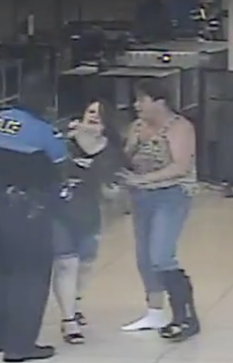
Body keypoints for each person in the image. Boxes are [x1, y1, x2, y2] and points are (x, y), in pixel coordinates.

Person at [0, 74, 68, 363]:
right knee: (31, 276)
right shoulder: (44, 130)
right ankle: (20, 345)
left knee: (0, 273)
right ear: (46, 100)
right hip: (27, 209)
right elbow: (61, 165)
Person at [119, 78, 200, 341]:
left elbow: (181, 166)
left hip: (171, 194)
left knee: (161, 255)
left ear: (159, 102)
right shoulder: (137, 127)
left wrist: (145, 180)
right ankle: (154, 312)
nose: (136, 105)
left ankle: (185, 315)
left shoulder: (179, 128)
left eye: (142, 100)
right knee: (144, 256)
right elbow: (126, 157)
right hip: (140, 197)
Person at [51, 99, 122, 344]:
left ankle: (75, 302)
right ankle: (68, 320)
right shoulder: (63, 141)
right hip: (58, 210)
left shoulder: (111, 149)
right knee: (65, 263)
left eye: (100, 114)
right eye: (90, 111)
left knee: (86, 263)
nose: (93, 116)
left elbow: (110, 184)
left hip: (89, 211)